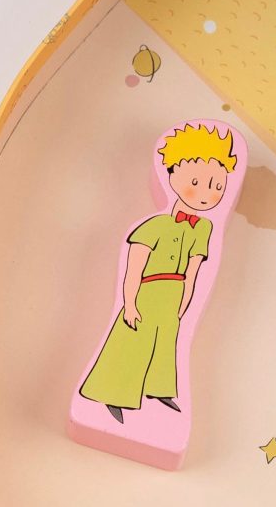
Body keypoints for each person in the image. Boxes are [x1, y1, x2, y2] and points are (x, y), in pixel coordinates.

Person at [77, 122, 236, 421]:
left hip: (174, 294)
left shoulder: (203, 228)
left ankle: (159, 389)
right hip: (147, 291)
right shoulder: (153, 226)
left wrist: (185, 304)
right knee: (131, 341)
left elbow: (192, 271)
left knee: (166, 341)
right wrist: (130, 303)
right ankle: (111, 394)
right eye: (197, 182)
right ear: (172, 176)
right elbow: (133, 268)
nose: (207, 193)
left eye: (217, 186)